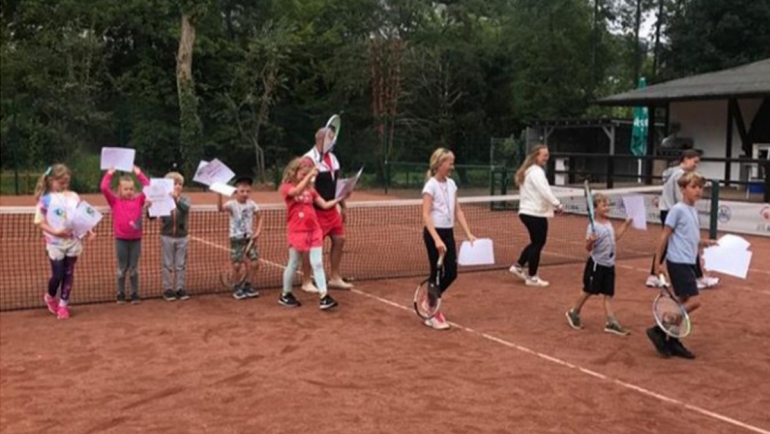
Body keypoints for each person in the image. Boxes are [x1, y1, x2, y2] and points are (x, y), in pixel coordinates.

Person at [646, 172, 716, 359]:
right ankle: (660, 329)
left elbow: (689, 237)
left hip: (688, 261)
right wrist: (657, 263)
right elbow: (664, 236)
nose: (698, 191)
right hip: (678, 262)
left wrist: (704, 242)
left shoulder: (692, 211)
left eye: (700, 187)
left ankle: (671, 340)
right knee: (694, 301)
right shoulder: (677, 210)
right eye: (693, 187)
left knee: (682, 300)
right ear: (683, 189)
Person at [646, 150, 719, 289]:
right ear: (686, 159)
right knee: (677, 241)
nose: (696, 165)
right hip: (672, 212)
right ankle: (696, 276)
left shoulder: (674, 172)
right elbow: (680, 197)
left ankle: (655, 276)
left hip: (670, 211)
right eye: (694, 161)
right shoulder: (680, 175)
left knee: (683, 241)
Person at [421, 148, 476, 330]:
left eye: (452, 162)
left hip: (448, 233)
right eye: (449, 163)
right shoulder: (430, 185)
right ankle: (432, 312)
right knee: (435, 273)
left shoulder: (452, 184)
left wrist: (468, 233)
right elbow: (426, 215)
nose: (452, 166)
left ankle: (429, 301)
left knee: (451, 272)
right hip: (433, 234)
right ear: (439, 164)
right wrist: (436, 239)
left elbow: (457, 210)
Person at [278, 158, 342, 310]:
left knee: (317, 263)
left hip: (314, 230)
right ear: (294, 172)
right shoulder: (286, 187)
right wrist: (309, 175)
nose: (306, 176)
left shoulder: (311, 190)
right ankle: (286, 294)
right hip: (297, 231)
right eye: (303, 173)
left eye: (308, 174)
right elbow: (295, 191)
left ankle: (324, 296)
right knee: (293, 263)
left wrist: (340, 198)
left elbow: (325, 205)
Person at [566, 193, 633, 336]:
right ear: (595, 209)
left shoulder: (608, 224)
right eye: (603, 205)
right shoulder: (593, 227)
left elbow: (615, 238)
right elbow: (588, 248)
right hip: (596, 265)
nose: (607, 207)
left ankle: (611, 322)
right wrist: (591, 241)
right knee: (588, 290)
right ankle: (574, 312)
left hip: (609, 265)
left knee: (608, 294)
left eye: (607, 204)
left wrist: (626, 225)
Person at [33, 164, 95, 319]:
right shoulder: (45, 199)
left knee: (69, 273)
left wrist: (90, 230)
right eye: (61, 182)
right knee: (58, 274)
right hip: (54, 243)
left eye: (66, 182)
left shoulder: (74, 196)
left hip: (73, 242)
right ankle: (50, 296)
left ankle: (63, 305)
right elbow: (40, 222)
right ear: (51, 180)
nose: (64, 186)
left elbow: (83, 216)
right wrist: (56, 232)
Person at [300, 127, 353, 293]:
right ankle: (306, 280)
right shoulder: (308, 160)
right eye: (330, 138)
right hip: (316, 211)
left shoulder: (334, 158)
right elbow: (305, 186)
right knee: (312, 246)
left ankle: (335, 277)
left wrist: (342, 206)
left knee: (339, 240)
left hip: (332, 209)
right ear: (320, 140)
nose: (333, 142)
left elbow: (337, 184)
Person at [509, 144, 563, 287]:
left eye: (547, 155)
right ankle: (532, 277)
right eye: (544, 155)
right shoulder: (536, 172)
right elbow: (544, 191)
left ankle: (519, 266)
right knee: (538, 243)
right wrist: (557, 204)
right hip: (534, 213)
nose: (547, 157)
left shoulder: (529, 171)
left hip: (529, 212)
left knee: (536, 243)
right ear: (536, 156)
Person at [101, 165, 149, 304]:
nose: (129, 191)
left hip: (136, 239)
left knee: (134, 268)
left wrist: (139, 173)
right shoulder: (115, 201)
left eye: (131, 189)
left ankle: (134, 293)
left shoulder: (139, 200)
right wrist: (110, 174)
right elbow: (104, 188)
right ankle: (120, 293)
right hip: (121, 239)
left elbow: (148, 187)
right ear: (119, 190)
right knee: (122, 268)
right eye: (126, 189)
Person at [217, 176, 263, 300]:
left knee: (255, 263)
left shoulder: (252, 204)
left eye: (247, 191)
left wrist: (257, 231)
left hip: (249, 238)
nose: (245, 194)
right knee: (237, 265)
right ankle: (237, 287)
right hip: (236, 239)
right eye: (242, 191)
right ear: (236, 191)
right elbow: (220, 209)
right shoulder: (231, 204)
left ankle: (248, 285)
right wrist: (219, 194)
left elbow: (260, 217)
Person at [155, 171, 191, 302]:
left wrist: (177, 198)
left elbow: (186, 208)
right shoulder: (162, 201)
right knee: (167, 264)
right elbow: (151, 216)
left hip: (182, 237)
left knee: (180, 265)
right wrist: (149, 207)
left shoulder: (185, 199)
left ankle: (180, 288)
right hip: (167, 236)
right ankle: (168, 289)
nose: (178, 186)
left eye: (180, 184)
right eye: (175, 184)